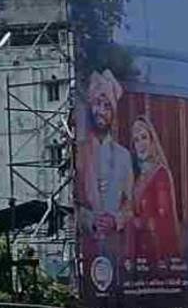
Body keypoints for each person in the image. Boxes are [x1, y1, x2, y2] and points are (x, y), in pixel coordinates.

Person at [77, 69, 134, 280]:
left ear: (114, 112)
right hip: (84, 245)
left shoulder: (124, 155)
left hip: (115, 243)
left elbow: (130, 205)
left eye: (107, 106)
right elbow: (72, 203)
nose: (101, 111)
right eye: (97, 104)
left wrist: (115, 219)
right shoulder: (78, 151)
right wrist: (91, 220)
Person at [126, 115, 180, 270]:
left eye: (144, 138)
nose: (140, 144)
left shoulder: (160, 174)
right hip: (140, 251)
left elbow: (163, 213)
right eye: (136, 140)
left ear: (152, 141)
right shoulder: (139, 177)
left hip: (157, 253)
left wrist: (139, 222)